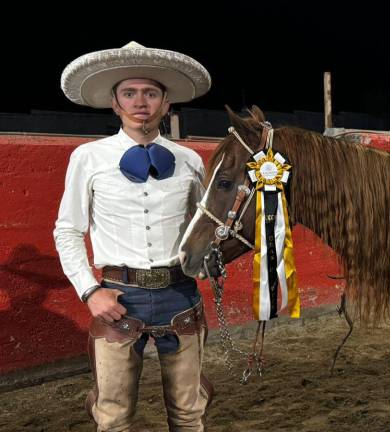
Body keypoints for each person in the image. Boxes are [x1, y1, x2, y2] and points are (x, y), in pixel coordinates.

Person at [55, 41, 212, 431]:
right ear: (114, 102)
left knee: (189, 412)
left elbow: (204, 226)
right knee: (113, 416)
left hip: (181, 295)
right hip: (117, 299)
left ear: (165, 104)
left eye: (150, 93)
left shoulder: (191, 160)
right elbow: (68, 230)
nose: (140, 102)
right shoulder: (88, 158)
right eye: (129, 93)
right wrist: (90, 292)